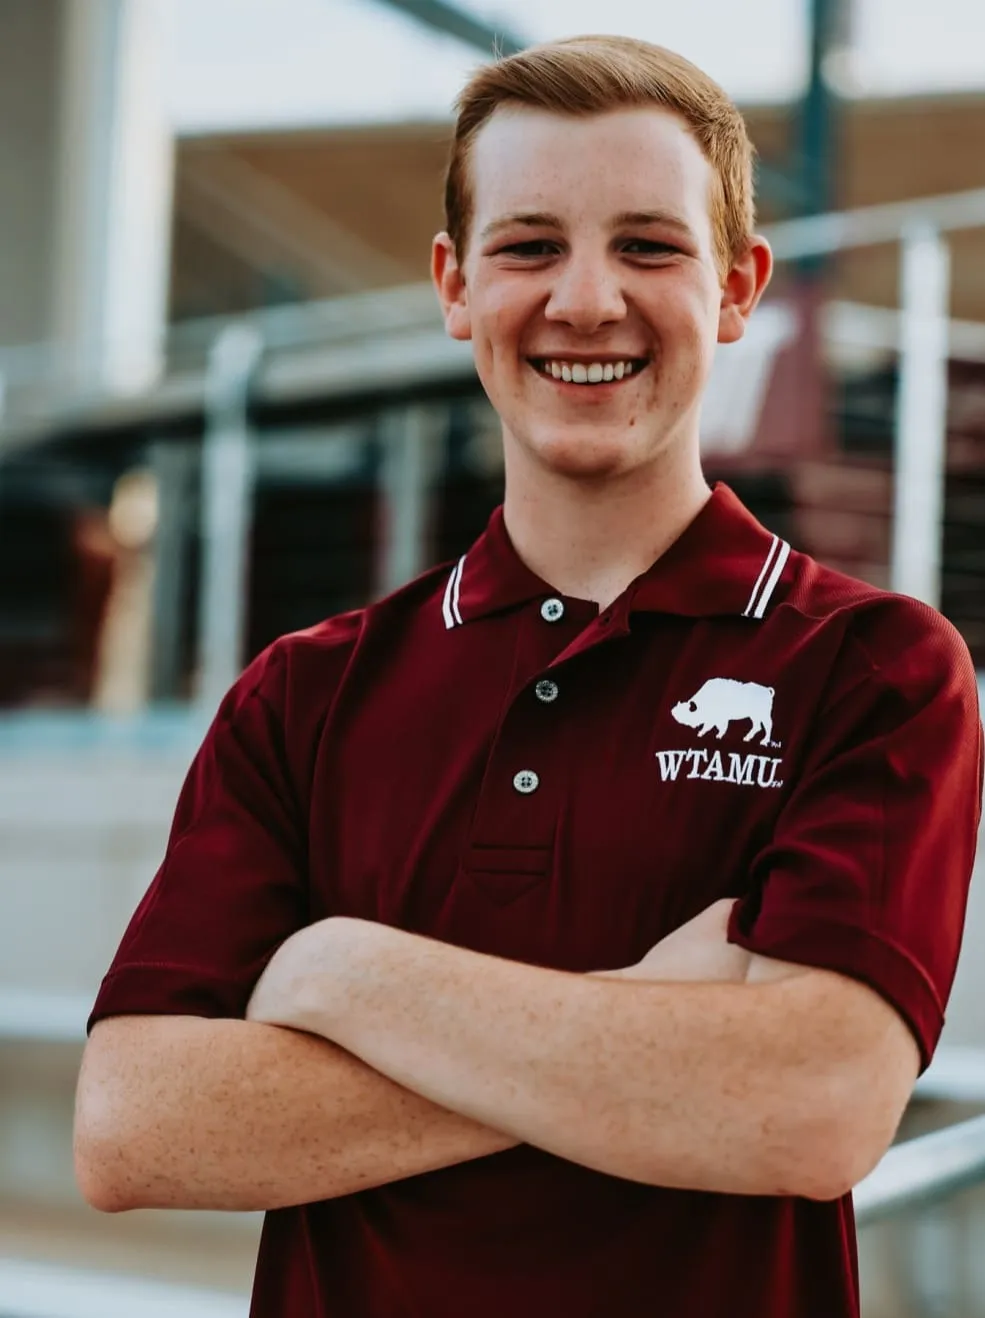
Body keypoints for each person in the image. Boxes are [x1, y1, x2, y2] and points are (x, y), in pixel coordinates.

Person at [74, 34, 983, 1318]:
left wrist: (346, 977)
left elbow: (811, 1106)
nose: (587, 299)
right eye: (530, 245)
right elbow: (136, 1128)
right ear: (455, 283)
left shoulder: (873, 667)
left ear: (737, 288)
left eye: (649, 247)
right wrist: (653, 1031)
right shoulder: (304, 694)